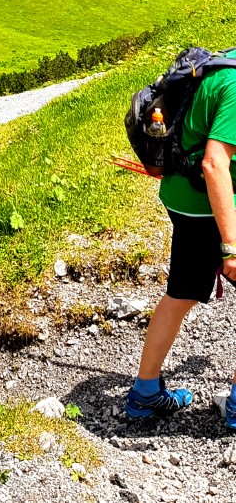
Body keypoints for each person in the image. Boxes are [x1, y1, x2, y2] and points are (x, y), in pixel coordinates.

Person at [132, 59, 236, 421]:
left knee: (181, 293)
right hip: (207, 204)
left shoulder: (225, 64)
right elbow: (214, 164)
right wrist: (230, 247)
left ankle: (145, 393)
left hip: (182, 195)